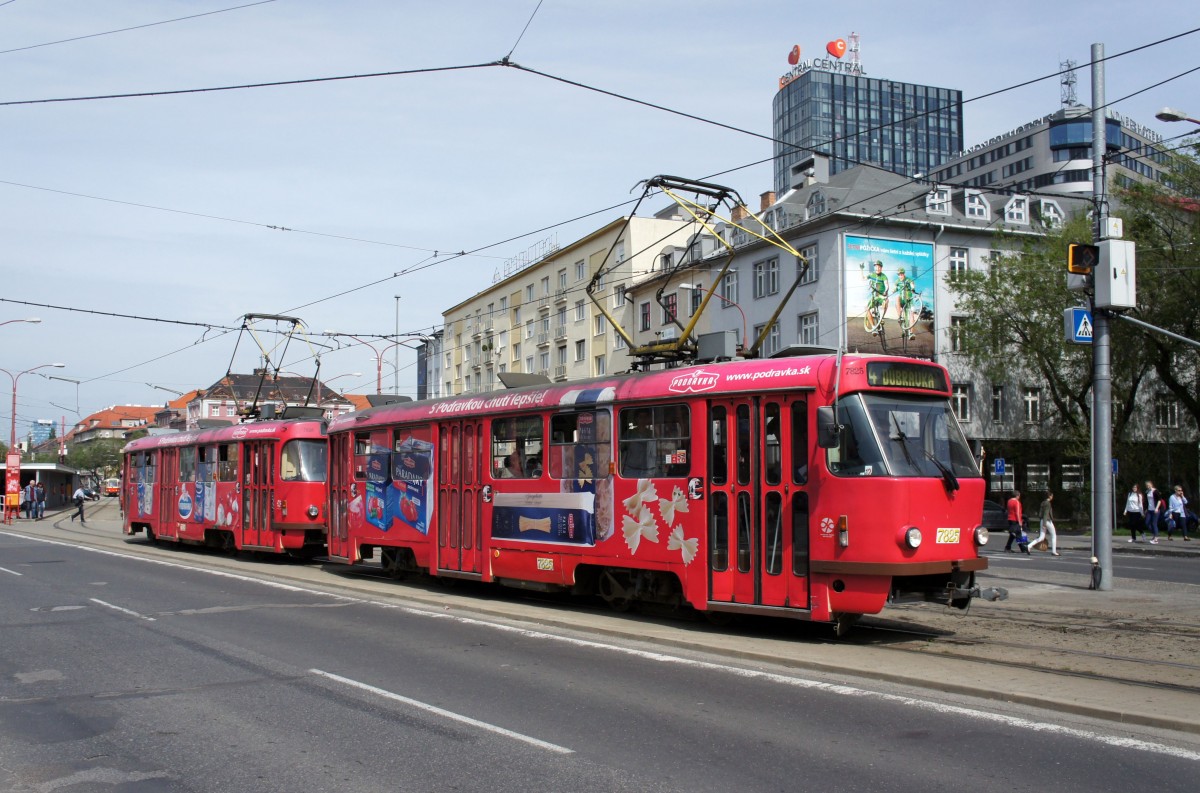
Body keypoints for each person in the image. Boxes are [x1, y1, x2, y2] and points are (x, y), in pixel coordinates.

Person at [1004, 489, 1029, 554]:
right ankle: (1020, 548)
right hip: (1015, 519)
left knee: (1015, 534)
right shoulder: (1017, 502)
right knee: (1016, 534)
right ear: (1017, 495)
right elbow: (1017, 512)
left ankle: (1021, 548)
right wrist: (1020, 521)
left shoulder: (1009, 501)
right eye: (1019, 495)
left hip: (1010, 519)